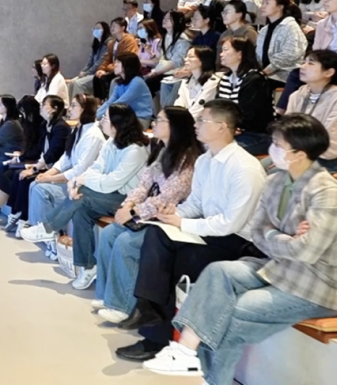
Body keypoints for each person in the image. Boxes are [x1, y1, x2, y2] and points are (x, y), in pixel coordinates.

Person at [144, 114, 337, 384]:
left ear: (299, 154)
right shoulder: (277, 180)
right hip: (279, 267)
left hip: (317, 286)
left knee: (229, 312)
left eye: (278, 145)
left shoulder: (326, 192)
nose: (272, 149)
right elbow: (257, 231)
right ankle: (185, 351)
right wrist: (285, 238)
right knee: (218, 272)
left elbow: (307, 253)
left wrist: (275, 236)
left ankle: (213, 378)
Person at [114, 100, 267, 363]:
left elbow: (230, 223)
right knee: (157, 233)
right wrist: (173, 215)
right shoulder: (206, 160)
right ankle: (147, 310)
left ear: (222, 127)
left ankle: (154, 331)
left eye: (202, 121)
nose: (196, 125)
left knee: (174, 262)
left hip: (238, 242)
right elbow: (196, 203)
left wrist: (183, 224)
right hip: (209, 231)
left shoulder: (245, 168)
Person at [20, 103, 150, 289]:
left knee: (82, 197)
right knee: (81, 212)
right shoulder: (111, 142)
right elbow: (95, 168)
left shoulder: (135, 150)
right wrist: (77, 183)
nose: (101, 121)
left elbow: (111, 182)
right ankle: (88, 266)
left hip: (127, 201)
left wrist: (82, 182)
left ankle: (49, 228)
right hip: (106, 193)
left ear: (117, 123)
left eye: (105, 118)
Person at [94, 107, 201, 324]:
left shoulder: (189, 159)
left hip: (170, 217)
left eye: (160, 120)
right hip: (148, 213)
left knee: (126, 242)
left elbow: (169, 197)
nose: (154, 123)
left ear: (175, 126)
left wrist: (134, 211)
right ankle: (107, 296)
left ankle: (122, 306)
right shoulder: (161, 150)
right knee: (109, 234)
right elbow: (144, 185)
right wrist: (128, 204)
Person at [25, 94, 107, 259]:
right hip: (73, 181)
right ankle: (48, 234)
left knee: (41, 189)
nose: (70, 109)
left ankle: (50, 233)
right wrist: (46, 173)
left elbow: (80, 169)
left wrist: (49, 179)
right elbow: (66, 159)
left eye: (74, 105)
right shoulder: (79, 129)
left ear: (85, 109)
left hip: (83, 185)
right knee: (35, 184)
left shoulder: (93, 135)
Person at [0, 95, 71, 226]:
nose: (41, 108)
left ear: (54, 108)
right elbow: (39, 149)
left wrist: (34, 167)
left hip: (50, 165)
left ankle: (9, 212)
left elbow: (52, 152)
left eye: (44, 105)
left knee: (18, 176)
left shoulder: (59, 127)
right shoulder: (46, 125)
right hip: (41, 161)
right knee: (9, 170)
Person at [278, 0, 337, 109]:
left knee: (300, 75)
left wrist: (325, 66)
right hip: (323, 67)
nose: (325, 0)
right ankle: (283, 112)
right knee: (297, 73)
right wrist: (316, 65)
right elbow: (317, 52)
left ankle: (282, 112)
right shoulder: (322, 24)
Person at [284, 51, 337, 173]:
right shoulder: (297, 95)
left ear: (329, 72)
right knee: (265, 165)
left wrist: (300, 156)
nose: (302, 67)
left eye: (311, 63)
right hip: (300, 154)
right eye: (303, 62)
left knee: (283, 171)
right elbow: (286, 130)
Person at [217, 37, 274, 155]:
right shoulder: (225, 78)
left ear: (239, 54)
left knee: (222, 150)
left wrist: (230, 127)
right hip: (231, 130)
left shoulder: (255, 79)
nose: (221, 54)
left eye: (226, 50)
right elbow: (218, 107)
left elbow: (249, 114)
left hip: (256, 134)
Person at [256, 0, 307, 90]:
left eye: (267, 3)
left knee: (254, 83)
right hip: (266, 74)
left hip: (285, 76)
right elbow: (258, 56)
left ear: (280, 6)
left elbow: (289, 55)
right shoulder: (264, 30)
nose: (262, 6)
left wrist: (265, 71)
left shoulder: (291, 27)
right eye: (263, 2)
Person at [99, 52, 154, 128]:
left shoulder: (137, 82)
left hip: (139, 119)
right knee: (100, 125)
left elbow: (121, 102)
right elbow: (110, 102)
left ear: (127, 65)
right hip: (125, 118)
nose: (115, 65)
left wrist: (102, 116)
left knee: (106, 126)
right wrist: (96, 115)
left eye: (118, 62)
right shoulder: (119, 83)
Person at [146, 11, 192, 95]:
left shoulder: (182, 40)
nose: (164, 20)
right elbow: (160, 59)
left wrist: (155, 73)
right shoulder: (165, 37)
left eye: (169, 18)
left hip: (174, 71)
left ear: (176, 21)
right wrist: (152, 55)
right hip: (163, 70)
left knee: (148, 82)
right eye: (164, 18)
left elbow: (176, 62)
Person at [94, 17, 139, 100]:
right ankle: (98, 102)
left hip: (123, 69)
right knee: (96, 77)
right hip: (113, 68)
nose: (112, 28)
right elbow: (107, 58)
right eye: (111, 26)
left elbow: (125, 58)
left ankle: (109, 101)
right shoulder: (113, 42)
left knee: (106, 79)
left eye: (115, 26)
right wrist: (101, 69)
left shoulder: (129, 40)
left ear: (123, 28)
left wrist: (109, 68)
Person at [172, 46, 222, 119]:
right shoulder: (186, 82)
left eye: (191, 57)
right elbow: (179, 103)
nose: (186, 59)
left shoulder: (212, 82)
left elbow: (198, 109)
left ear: (203, 60)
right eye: (186, 56)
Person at [68, 22, 111, 100]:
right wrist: (83, 71)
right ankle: (71, 105)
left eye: (98, 28)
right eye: (94, 28)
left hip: (98, 73)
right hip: (89, 73)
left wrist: (87, 73)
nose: (95, 30)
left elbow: (99, 62)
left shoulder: (108, 44)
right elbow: (89, 61)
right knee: (72, 82)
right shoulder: (95, 44)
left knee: (78, 84)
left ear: (105, 30)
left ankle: (80, 105)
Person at [216, 0, 257, 65]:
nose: (223, 15)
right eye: (223, 12)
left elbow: (247, 58)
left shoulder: (249, 32)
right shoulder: (224, 34)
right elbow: (218, 59)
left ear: (239, 14)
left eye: (227, 12)